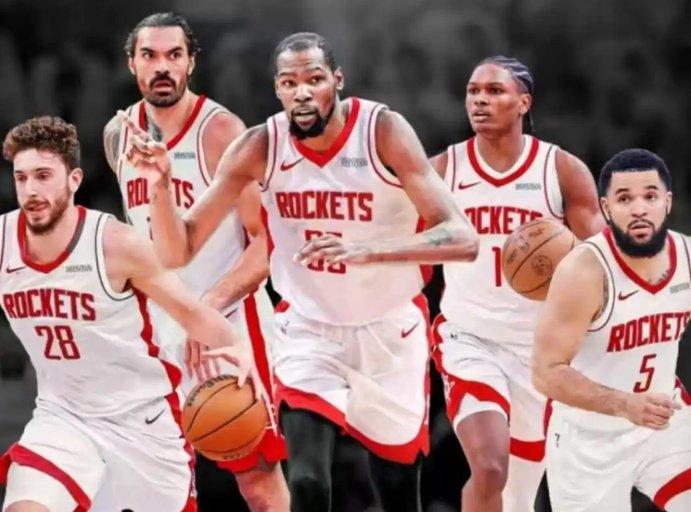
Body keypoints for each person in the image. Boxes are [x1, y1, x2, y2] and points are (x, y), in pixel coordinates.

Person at [120, 31, 479, 512]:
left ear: (337, 80)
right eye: (289, 83)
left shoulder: (382, 131)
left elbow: (462, 238)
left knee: (397, 493)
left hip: (390, 331)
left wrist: (368, 250)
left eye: (314, 79)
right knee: (307, 483)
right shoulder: (259, 146)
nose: (302, 92)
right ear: (277, 89)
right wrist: (161, 185)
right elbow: (177, 250)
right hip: (309, 331)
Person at [0, 116, 257, 512]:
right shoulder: (4, 242)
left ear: (74, 180)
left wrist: (236, 344)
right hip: (62, 417)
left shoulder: (116, 244)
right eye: (21, 178)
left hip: (143, 424)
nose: (31, 190)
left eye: (43, 176)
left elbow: (188, 310)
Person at [102, 13, 289, 511]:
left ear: (191, 63)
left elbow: (267, 243)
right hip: (160, 328)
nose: (162, 67)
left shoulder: (222, 131)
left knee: (258, 482)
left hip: (228, 319)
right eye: (149, 55)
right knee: (157, 484)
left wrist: (207, 310)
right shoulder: (118, 134)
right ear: (132, 63)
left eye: (174, 55)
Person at [428, 56, 605, 512]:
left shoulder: (560, 170)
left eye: (494, 91)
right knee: (489, 467)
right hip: (469, 339)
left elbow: (604, 264)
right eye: (473, 91)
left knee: (518, 498)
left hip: (539, 349)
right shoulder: (443, 170)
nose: (480, 100)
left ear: (524, 102)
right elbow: (404, 245)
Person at [533, 148, 691, 512]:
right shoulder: (584, 271)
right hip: (588, 439)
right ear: (605, 208)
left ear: (667, 202)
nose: (639, 208)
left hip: (663, 420)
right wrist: (624, 404)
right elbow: (546, 372)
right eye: (624, 198)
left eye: (650, 196)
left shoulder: (685, 256)